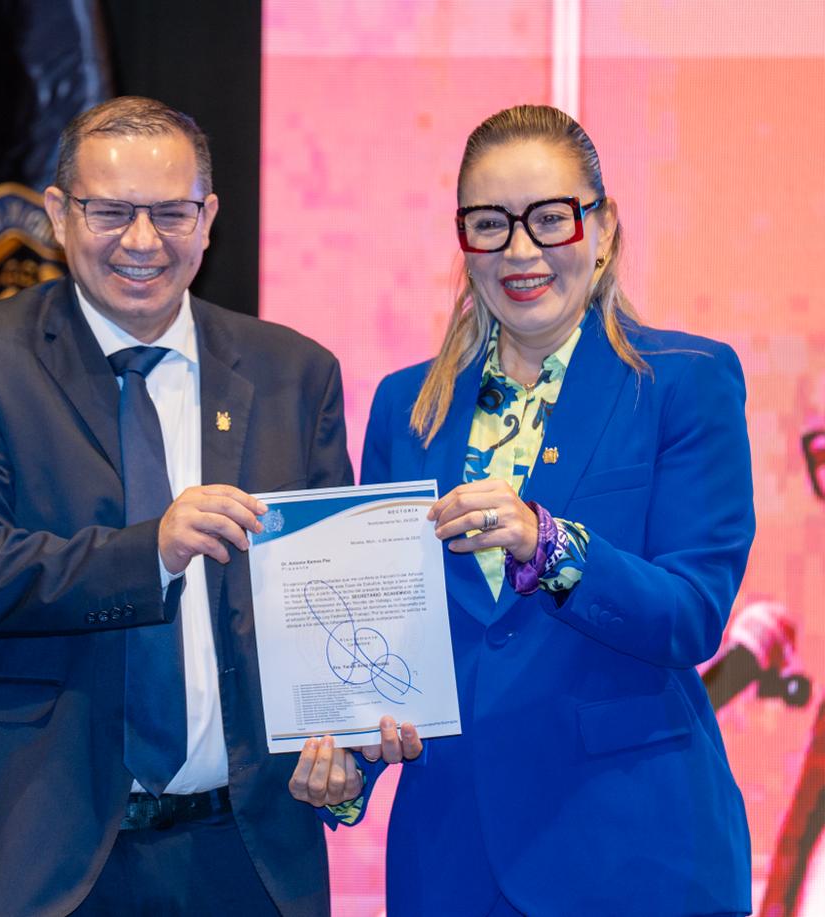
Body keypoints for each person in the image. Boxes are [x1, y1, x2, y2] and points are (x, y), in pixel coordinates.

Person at [0, 96, 352, 917]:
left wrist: (355, 739)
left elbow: (332, 596)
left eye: (170, 213)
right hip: (43, 859)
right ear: (58, 214)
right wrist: (153, 551)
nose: (142, 241)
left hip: (246, 857)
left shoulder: (295, 373)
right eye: (110, 212)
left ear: (207, 218)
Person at [310, 104, 756, 916]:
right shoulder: (406, 406)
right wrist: (349, 763)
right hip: (451, 858)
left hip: (633, 852)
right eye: (490, 223)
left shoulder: (685, 381)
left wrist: (550, 544)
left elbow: (692, 615)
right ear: (464, 240)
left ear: (603, 228)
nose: (520, 251)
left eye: (550, 218)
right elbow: (389, 634)